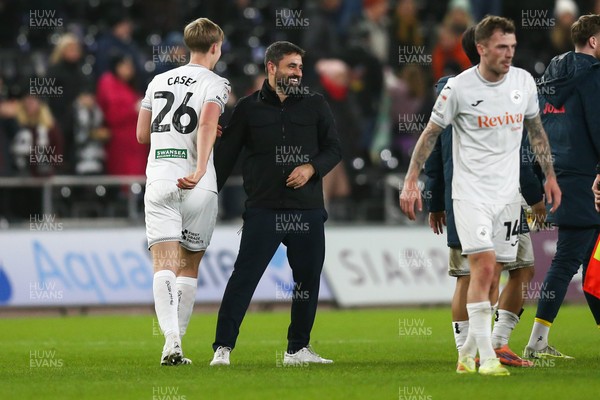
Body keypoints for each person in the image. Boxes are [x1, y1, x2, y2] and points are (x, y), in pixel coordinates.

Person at [400, 16, 561, 376]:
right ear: (482, 48)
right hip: (469, 195)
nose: (509, 54)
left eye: (513, 47)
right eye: (502, 47)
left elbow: (535, 134)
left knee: (496, 274)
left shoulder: (522, 82)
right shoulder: (457, 88)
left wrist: (548, 176)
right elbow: (430, 138)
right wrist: (414, 183)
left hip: (507, 198)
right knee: (481, 270)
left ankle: (468, 354)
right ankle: (486, 356)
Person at [210, 41, 341, 366]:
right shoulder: (247, 108)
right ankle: (222, 349)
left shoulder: (315, 105)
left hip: (307, 209)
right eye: (291, 66)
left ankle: (297, 350)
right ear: (271, 68)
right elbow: (225, 159)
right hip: (263, 209)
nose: (298, 73)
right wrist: (205, 196)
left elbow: (334, 149)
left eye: (299, 66)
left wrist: (311, 168)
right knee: (244, 277)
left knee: (307, 280)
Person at [136, 17, 230, 366]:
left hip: (161, 176)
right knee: (189, 265)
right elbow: (206, 121)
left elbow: (142, 135)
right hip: (198, 182)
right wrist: (201, 165)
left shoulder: (156, 81)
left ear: (189, 45)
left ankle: (171, 344)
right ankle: (177, 345)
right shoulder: (217, 82)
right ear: (216, 47)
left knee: (163, 264)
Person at [523, 14, 600, 359]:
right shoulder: (592, 77)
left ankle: (538, 340)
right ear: (594, 41)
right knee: (570, 258)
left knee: (591, 260)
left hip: (556, 174)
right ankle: (536, 342)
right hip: (586, 178)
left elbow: (537, 129)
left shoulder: (549, 78)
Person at [97, 52, 147, 176]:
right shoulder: (108, 82)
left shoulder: (129, 86)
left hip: (135, 141)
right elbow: (112, 114)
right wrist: (134, 109)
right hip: (119, 141)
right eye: (126, 66)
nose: (130, 69)